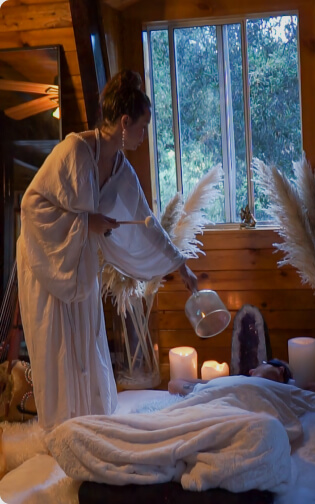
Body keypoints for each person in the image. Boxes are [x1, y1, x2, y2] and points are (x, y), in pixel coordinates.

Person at [16, 69, 198, 431]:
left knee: (85, 340)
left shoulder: (121, 169)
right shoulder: (74, 150)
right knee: (58, 345)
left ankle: (87, 426)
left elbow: (147, 222)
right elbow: (31, 207)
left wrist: (181, 265)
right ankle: (62, 432)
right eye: (143, 127)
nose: (144, 137)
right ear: (125, 122)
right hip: (47, 259)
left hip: (78, 263)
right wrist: (87, 224)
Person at [168, 359, 315, 418]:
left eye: (286, 373)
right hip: (204, 412)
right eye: (276, 365)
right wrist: (204, 387)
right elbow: (173, 384)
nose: (282, 371)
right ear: (251, 371)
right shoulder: (227, 380)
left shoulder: (291, 394)